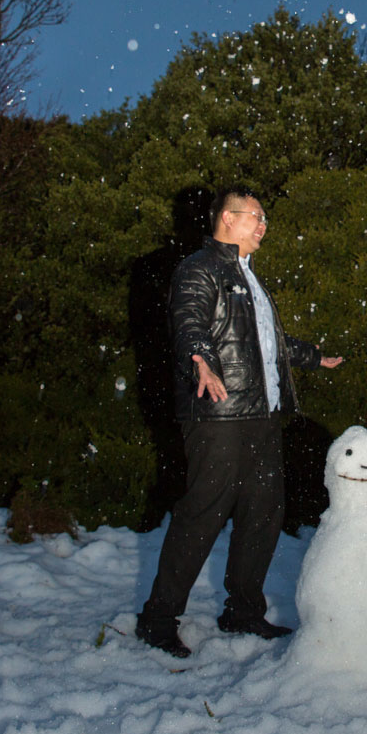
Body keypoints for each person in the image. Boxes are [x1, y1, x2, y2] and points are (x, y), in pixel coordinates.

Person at [136, 186, 344, 658]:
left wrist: (312, 356)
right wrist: (201, 360)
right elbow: (188, 321)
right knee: (201, 515)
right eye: (257, 216)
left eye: (264, 217)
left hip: (262, 417)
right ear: (227, 219)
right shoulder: (199, 268)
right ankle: (158, 619)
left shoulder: (249, 278)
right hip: (219, 414)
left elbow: (268, 342)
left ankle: (243, 612)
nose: (264, 225)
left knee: (263, 514)